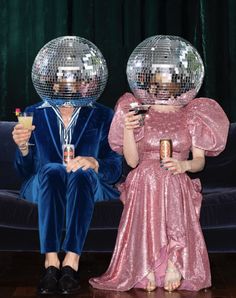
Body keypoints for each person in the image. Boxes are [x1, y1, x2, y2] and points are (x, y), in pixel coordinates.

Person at [89, 36, 229, 292]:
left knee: (172, 179)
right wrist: (130, 130)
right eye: (157, 83)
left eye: (168, 83)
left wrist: (183, 166)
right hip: (144, 179)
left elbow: (198, 162)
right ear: (150, 86)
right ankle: (149, 265)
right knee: (149, 176)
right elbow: (132, 162)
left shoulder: (192, 115)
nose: (162, 89)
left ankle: (174, 263)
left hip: (177, 177)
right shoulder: (137, 111)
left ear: (179, 85)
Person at [12, 36, 122, 295]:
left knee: (81, 171)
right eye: (63, 75)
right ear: (51, 78)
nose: (70, 81)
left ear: (87, 81)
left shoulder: (104, 115)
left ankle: (71, 262)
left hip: (89, 185)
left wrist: (94, 162)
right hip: (44, 185)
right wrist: (23, 148)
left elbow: (116, 167)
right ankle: (51, 261)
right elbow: (24, 172)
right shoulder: (32, 113)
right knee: (52, 169)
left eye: (76, 76)